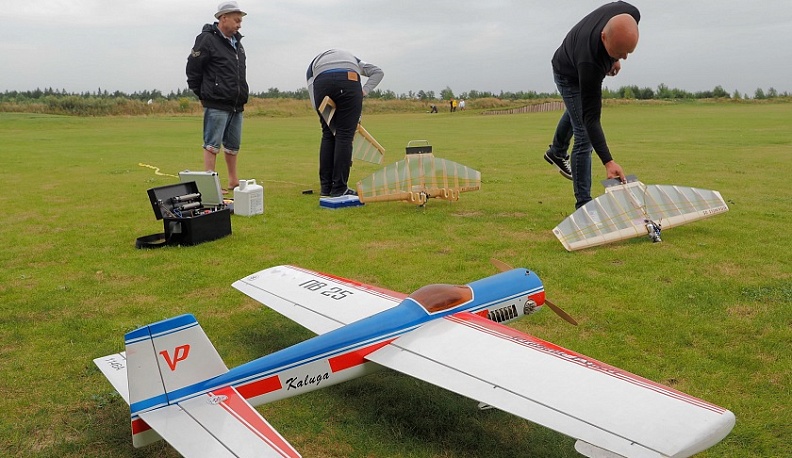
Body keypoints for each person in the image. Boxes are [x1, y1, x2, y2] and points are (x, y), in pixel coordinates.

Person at [543, 1, 640, 209]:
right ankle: (584, 205)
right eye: (619, 52)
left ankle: (557, 151)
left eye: (627, 52)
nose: (624, 57)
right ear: (604, 37)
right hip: (567, 72)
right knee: (584, 133)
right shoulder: (590, 62)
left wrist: (614, 56)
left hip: (583, 55)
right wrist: (608, 161)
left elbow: (619, 27)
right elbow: (591, 118)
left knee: (576, 109)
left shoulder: (631, 13)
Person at [186, 1, 250, 191]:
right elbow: (193, 69)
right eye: (237, 20)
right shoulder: (206, 39)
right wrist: (204, 94)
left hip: (236, 103)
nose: (240, 25)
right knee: (212, 144)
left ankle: (233, 181)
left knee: (232, 146)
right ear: (224, 18)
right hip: (216, 103)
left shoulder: (238, 43)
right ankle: (211, 183)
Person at [306, 49, 384, 197]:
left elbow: (314, 100)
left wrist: (322, 114)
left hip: (321, 83)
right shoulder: (354, 60)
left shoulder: (311, 67)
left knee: (328, 135)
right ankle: (340, 188)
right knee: (345, 135)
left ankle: (326, 188)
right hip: (349, 80)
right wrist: (363, 92)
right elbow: (378, 72)